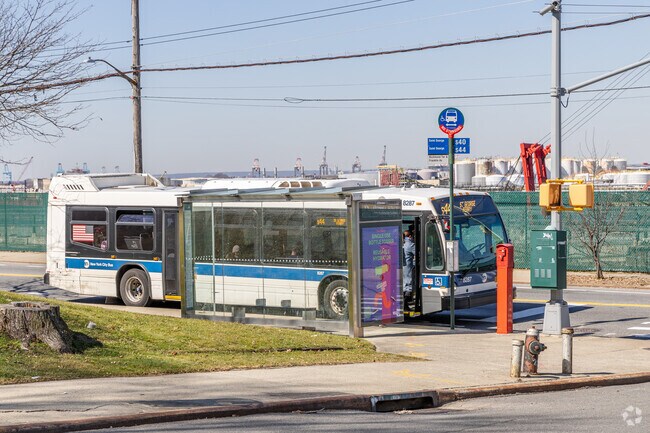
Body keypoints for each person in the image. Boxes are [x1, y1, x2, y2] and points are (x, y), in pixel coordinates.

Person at [402, 230, 415, 299]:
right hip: (408, 267)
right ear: (410, 236)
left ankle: (405, 304)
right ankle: (406, 302)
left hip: (404, 267)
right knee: (408, 284)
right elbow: (420, 254)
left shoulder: (403, 244)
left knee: (405, 283)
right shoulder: (410, 244)